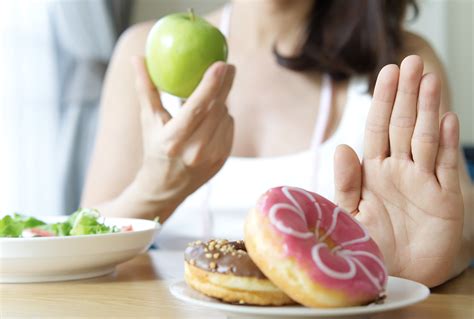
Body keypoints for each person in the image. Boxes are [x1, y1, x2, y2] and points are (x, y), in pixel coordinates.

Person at [81, 0, 473, 287]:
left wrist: (411, 268)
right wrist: (153, 191)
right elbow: (83, 239)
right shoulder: (143, 49)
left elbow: (461, 232)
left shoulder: (400, 61)